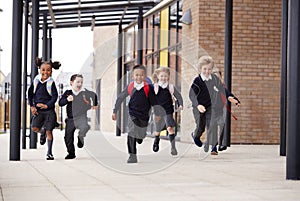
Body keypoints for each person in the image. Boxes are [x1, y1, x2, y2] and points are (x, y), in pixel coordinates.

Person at [112, 64, 160, 163]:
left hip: (144, 116)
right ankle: (132, 156)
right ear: (132, 76)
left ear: (145, 76)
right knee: (131, 132)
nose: (139, 77)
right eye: (136, 75)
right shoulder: (130, 87)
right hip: (132, 114)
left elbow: (154, 102)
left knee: (141, 135)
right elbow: (120, 98)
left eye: (141, 75)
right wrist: (114, 111)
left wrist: (157, 114)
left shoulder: (148, 88)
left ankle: (140, 137)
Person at [189, 55, 226, 155]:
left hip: (210, 107)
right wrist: (197, 105)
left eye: (209, 69)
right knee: (201, 126)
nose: (207, 71)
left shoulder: (214, 79)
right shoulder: (197, 81)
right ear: (200, 68)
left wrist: (230, 97)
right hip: (198, 107)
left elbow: (223, 90)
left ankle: (214, 147)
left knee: (211, 125)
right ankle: (196, 136)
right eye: (205, 69)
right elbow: (191, 95)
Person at [28, 57, 61, 160]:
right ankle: (42, 132)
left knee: (49, 131)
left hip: (49, 111)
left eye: (48, 70)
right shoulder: (36, 82)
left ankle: (49, 153)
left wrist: (47, 105)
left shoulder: (51, 83)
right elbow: (30, 95)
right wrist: (32, 106)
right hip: (38, 111)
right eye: (43, 70)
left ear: (51, 71)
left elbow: (55, 97)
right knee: (34, 128)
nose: (45, 72)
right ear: (39, 70)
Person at [59, 74, 98, 160]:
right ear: (71, 83)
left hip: (81, 116)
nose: (80, 84)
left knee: (85, 126)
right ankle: (71, 153)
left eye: (81, 82)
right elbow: (60, 103)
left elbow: (94, 95)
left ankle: (81, 136)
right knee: (68, 137)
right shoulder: (68, 93)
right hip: (70, 119)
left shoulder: (85, 93)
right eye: (78, 82)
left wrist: (95, 104)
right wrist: (67, 100)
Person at [151, 66, 183, 156]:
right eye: (161, 76)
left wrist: (181, 104)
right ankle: (156, 141)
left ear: (168, 76)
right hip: (157, 112)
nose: (163, 78)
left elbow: (179, 96)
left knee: (170, 128)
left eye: (165, 76)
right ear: (158, 76)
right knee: (157, 130)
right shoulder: (155, 87)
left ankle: (173, 148)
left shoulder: (171, 87)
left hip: (168, 110)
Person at [212, 67, 241, 151]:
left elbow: (229, 95)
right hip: (211, 110)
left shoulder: (222, 88)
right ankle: (214, 147)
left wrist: (236, 101)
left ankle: (220, 144)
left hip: (220, 110)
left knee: (222, 125)